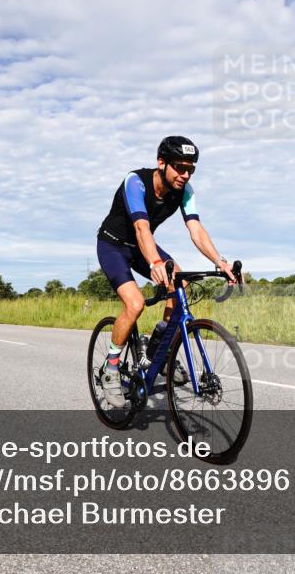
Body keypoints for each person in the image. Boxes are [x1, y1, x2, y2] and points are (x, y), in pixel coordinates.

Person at [95, 136, 235, 408]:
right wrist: (155, 263)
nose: (185, 175)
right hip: (113, 245)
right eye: (180, 167)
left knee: (178, 283)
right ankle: (110, 368)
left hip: (140, 246)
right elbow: (141, 228)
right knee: (135, 305)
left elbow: (196, 229)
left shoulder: (185, 191)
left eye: (190, 169)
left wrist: (220, 261)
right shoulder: (135, 182)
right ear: (162, 163)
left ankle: (160, 349)